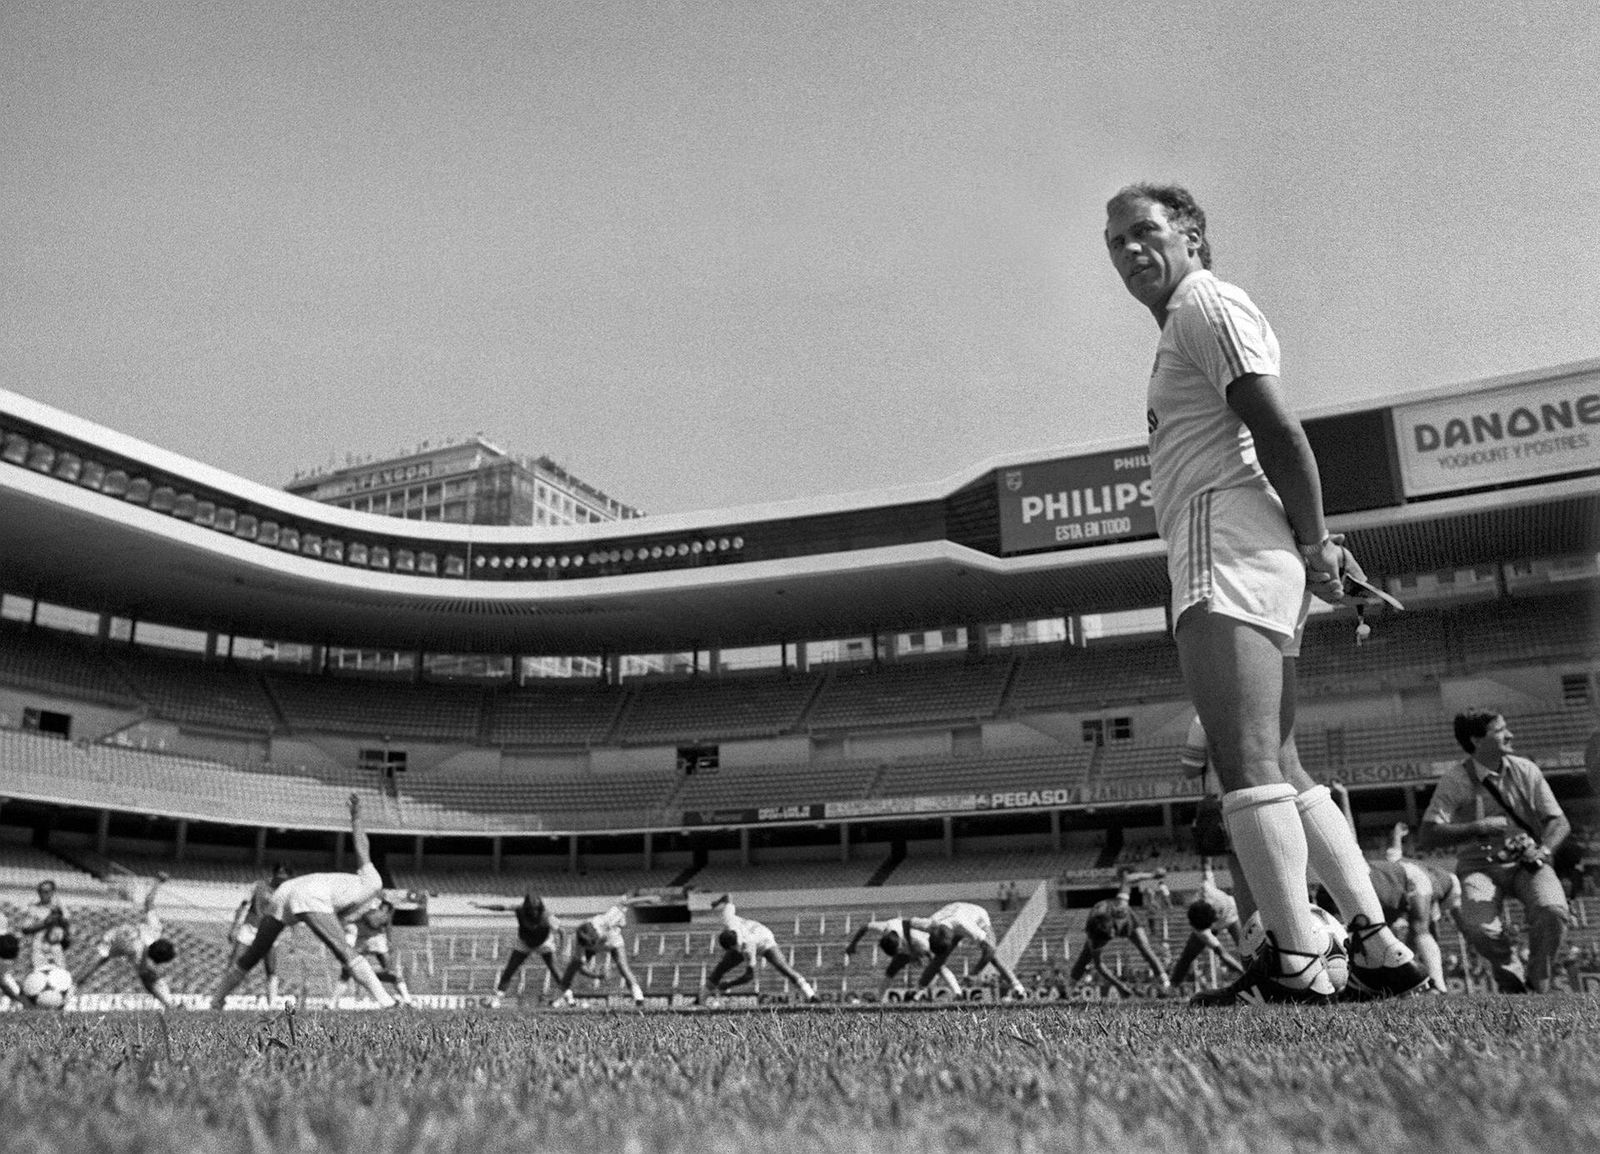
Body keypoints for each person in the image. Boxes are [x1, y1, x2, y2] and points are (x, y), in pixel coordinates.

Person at [1103, 183, 1427, 1006]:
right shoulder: (1196, 317)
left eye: (1145, 231)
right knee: (1281, 760)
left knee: (1241, 757)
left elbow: (1282, 430)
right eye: (1116, 240)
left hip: (1226, 541)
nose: (1129, 250)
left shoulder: (1203, 306)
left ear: (1192, 237)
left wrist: (1316, 542)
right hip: (1254, 543)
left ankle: (1295, 957)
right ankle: (1378, 945)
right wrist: (1308, 547)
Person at [1418, 709, 1571, 992]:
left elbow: (1558, 821)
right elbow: (1427, 834)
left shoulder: (1526, 769)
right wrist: (1478, 826)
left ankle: (1539, 979)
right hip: (1478, 866)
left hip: (1528, 861)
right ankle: (1511, 977)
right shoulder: (1455, 779)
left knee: (1553, 909)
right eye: (1500, 730)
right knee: (1478, 927)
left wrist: (1544, 851)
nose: (1510, 734)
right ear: (1476, 740)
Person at [209, 794, 401, 1010]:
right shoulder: (373, 883)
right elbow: (362, 848)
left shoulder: (354, 905)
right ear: (381, 909)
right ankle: (387, 1001)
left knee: (254, 954)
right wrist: (356, 817)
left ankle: (216, 1001)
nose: (381, 922)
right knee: (344, 950)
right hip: (309, 893)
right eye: (385, 917)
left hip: (286, 891)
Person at [72, 873, 180, 1010]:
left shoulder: (155, 929)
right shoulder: (138, 954)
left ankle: (169, 1004)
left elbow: (148, 902)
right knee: (91, 967)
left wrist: (157, 882)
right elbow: (148, 976)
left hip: (120, 935)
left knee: (91, 967)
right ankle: (71, 989)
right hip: (112, 940)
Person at [1069, 870, 1174, 997]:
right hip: (1104, 921)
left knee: (1145, 949)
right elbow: (1099, 965)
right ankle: (1069, 989)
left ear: (1113, 928)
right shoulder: (1094, 935)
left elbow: (1128, 879)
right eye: (1106, 940)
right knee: (1085, 957)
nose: (1113, 939)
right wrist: (1120, 986)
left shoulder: (1121, 908)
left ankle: (1166, 984)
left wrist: (1152, 875)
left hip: (1128, 921)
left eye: (1111, 936)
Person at [697, 895, 818, 1004]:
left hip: (765, 940)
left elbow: (750, 976)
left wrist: (728, 984)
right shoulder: (728, 919)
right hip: (755, 933)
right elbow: (728, 897)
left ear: (734, 946)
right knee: (721, 968)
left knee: (782, 967)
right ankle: (701, 998)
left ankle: (810, 995)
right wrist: (717, 902)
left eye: (735, 949)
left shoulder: (747, 947)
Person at [471, 891, 569, 1008]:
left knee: (555, 969)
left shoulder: (546, 916)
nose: (533, 912)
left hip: (544, 943)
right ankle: (497, 999)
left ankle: (570, 998)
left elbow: (562, 931)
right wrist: (481, 906)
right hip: (524, 942)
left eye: (535, 909)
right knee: (510, 969)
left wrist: (562, 950)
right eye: (530, 909)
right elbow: (501, 907)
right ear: (526, 908)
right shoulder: (520, 909)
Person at [913, 901, 1027, 1000]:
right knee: (938, 958)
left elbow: (990, 949)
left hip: (976, 915)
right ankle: (919, 989)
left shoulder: (966, 925)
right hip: (954, 913)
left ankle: (1017, 987)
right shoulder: (928, 924)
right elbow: (906, 923)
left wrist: (975, 973)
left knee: (992, 954)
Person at [1168, 858, 1247, 988]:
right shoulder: (1201, 929)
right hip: (1217, 920)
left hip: (1232, 918)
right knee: (1188, 955)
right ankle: (1173, 986)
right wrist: (1243, 973)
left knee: (1247, 948)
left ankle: (1265, 975)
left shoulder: (1207, 889)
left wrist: (1206, 850)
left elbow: (1206, 864)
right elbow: (1223, 955)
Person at [843, 915, 965, 999]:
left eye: (898, 951)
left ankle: (957, 992)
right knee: (892, 969)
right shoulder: (886, 927)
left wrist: (916, 955)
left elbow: (927, 951)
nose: (898, 952)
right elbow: (865, 927)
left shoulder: (917, 937)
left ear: (900, 944)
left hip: (921, 945)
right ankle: (879, 998)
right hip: (909, 948)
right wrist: (853, 945)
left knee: (937, 965)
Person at [551, 904, 645, 1007]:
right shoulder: (579, 941)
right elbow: (581, 967)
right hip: (592, 947)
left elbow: (623, 904)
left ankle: (638, 997)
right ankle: (557, 999)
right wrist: (596, 975)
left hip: (613, 942)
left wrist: (644, 900)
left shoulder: (606, 920)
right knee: (572, 968)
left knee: (623, 966)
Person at [228, 863, 290, 1004]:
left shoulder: (285, 892)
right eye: (280, 877)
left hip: (269, 932)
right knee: (235, 962)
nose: (282, 881)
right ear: (275, 874)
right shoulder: (258, 886)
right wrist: (235, 927)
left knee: (271, 968)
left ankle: (272, 1003)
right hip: (249, 929)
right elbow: (243, 906)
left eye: (285, 878)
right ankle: (220, 999)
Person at [337, 902, 413, 1006]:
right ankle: (332, 1002)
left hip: (372, 940)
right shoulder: (366, 905)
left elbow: (377, 923)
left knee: (391, 971)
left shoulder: (372, 907)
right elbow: (375, 922)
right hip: (366, 940)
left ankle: (407, 1000)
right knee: (347, 972)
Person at [18, 879, 71, 971]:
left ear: (52, 892)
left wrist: (59, 916)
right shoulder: (33, 908)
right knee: (39, 973)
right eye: (40, 891)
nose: (42, 894)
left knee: (59, 975)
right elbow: (25, 929)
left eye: (46, 891)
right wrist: (45, 923)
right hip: (39, 945)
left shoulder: (60, 908)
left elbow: (67, 926)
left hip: (55, 945)